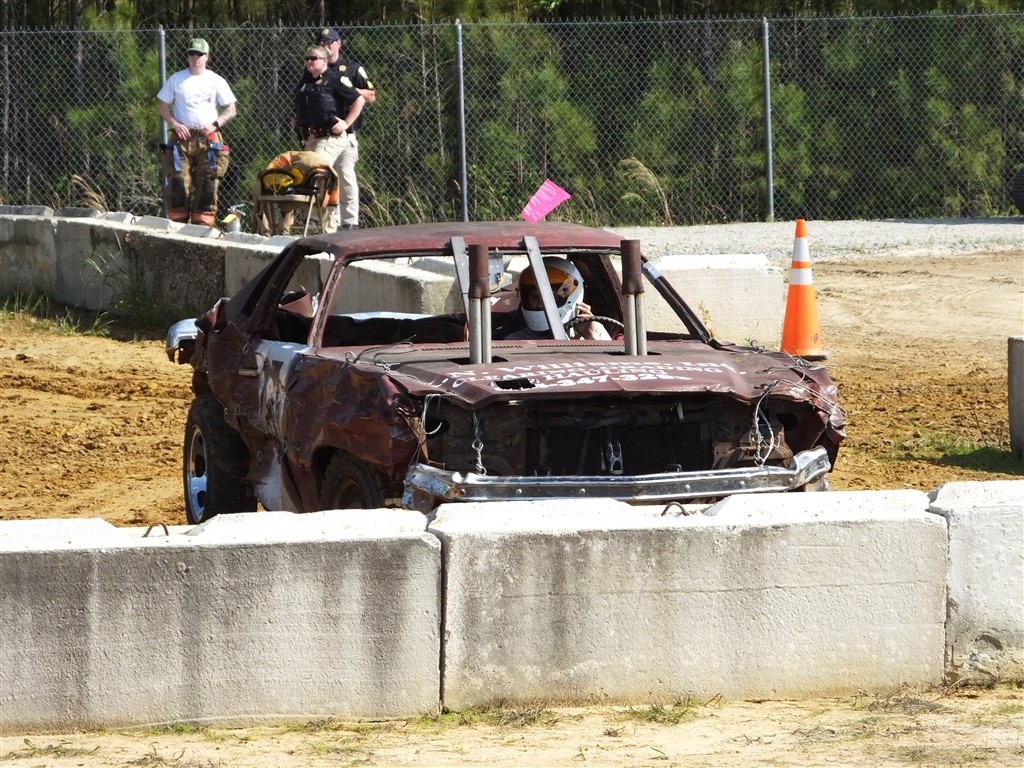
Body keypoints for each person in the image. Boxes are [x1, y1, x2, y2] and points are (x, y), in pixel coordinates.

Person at [156, 38, 237, 226]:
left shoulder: (215, 80)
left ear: (207, 57)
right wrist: (175, 124)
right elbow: (162, 107)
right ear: (187, 56)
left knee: (208, 184)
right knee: (178, 184)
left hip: (209, 140)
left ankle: (202, 228)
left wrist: (215, 124)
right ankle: (176, 228)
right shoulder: (176, 79)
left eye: (199, 54)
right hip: (181, 140)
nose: (195, 57)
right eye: (191, 53)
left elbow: (231, 109)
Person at [291, 46, 366, 230]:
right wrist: (298, 118)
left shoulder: (335, 79)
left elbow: (359, 100)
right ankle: (330, 223)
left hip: (331, 136)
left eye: (313, 58)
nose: (309, 61)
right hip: (311, 137)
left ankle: (325, 220)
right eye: (307, 58)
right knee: (332, 175)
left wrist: (346, 123)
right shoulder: (306, 81)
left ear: (324, 61)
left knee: (317, 171)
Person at [314, 27, 377, 231]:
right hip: (322, 135)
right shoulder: (316, 68)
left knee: (346, 178)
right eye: (321, 42)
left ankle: (349, 223)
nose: (325, 46)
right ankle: (322, 222)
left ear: (338, 43)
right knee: (321, 177)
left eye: (329, 42)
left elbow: (371, 95)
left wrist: (346, 89)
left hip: (345, 132)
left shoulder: (352, 68)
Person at [506, 257, 612, 340]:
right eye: (535, 297)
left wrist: (591, 336)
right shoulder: (517, 341)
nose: (541, 304)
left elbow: (612, 360)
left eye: (550, 297)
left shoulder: (593, 328)